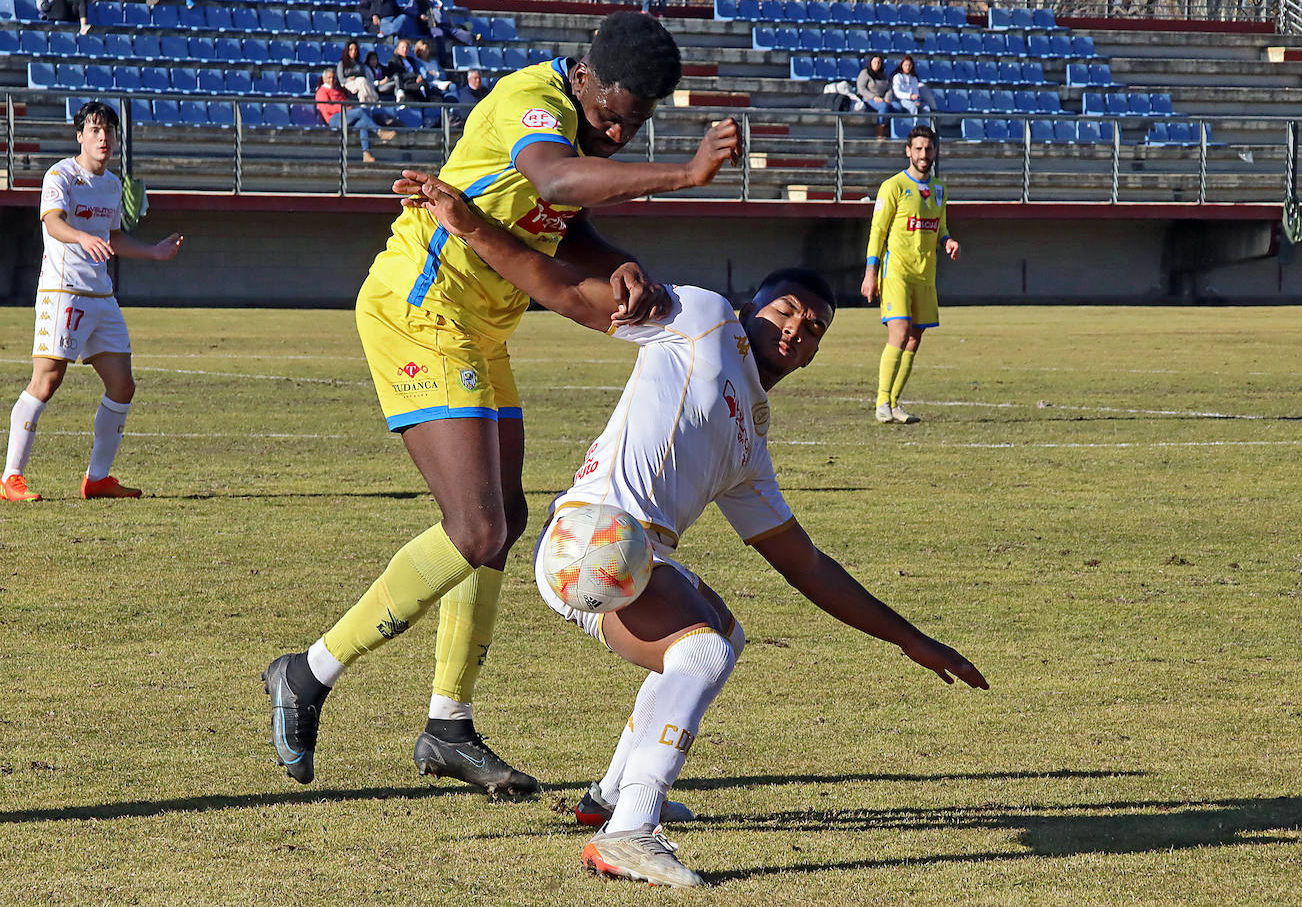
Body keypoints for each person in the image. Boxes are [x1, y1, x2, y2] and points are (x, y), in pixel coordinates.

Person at [401, 172, 989, 888]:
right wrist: (470, 227)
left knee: (725, 635)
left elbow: (808, 565)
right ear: (753, 307)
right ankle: (630, 833)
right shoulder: (704, 317)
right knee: (701, 653)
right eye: (789, 313)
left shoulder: (754, 442)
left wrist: (909, 638)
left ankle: (611, 796)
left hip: (634, 552)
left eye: (814, 332)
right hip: (591, 538)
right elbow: (567, 293)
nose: (798, 331)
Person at [260, 11, 742, 798]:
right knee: (477, 527)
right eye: (611, 115)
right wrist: (683, 177)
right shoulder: (536, 101)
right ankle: (307, 674)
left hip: (480, 323)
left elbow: (563, 223)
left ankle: (448, 725)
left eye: (635, 123)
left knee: (505, 524)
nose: (617, 135)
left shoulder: (584, 126)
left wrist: (622, 264)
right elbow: (551, 180)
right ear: (584, 79)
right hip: (419, 308)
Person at [0, 101, 183, 503]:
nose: (104, 138)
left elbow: (112, 238)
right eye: (95, 130)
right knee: (47, 381)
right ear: (79, 135)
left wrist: (153, 251)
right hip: (63, 292)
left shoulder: (112, 185)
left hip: (101, 296)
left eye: (109, 131)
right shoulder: (61, 175)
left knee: (122, 384)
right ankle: (10, 477)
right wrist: (81, 236)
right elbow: (53, 220)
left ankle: (97, 479)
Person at [861, 124, 960, 424]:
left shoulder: (940, 189)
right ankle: (881, 403)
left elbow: (940, 227)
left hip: (925, 274)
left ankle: (893, 404)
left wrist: (948, 241)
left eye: (928, 149)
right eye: (917, 148)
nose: (923, 154)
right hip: (896, 272)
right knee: (900, 332)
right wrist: (870, 273)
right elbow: (877, 231)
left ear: (935, 151)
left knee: (915, 339)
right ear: (908, 151)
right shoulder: (893, 187)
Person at [315, 67, 396, 163]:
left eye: (333, 78)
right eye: (329, 78)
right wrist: (343, 107)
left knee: (363, 124)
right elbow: (327, 108)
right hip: (334, 119)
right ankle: (379, 131)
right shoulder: (322, 91)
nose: (332, 80)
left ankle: (366, 153)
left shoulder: (339, 90)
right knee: (360, 112)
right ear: (324, 79)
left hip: (346, 115)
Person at [856, 52, 893, 138]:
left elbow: (889, 89)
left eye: (879, 62)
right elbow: (861, 89)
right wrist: (874, 97)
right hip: (868, 99)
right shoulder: (865, 73)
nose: (877, 64)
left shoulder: (884, 75)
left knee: (897, 107)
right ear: (871, 63)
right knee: (883, 106)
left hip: (883, 99)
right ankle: (880, 132)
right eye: (875, 62)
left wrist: (887, 97)